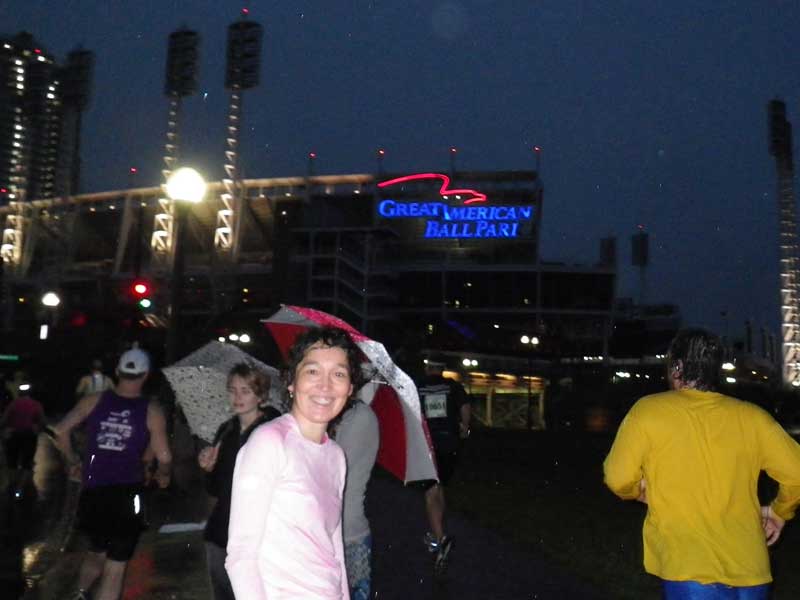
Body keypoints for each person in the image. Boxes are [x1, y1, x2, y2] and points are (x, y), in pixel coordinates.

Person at [604, 328, 800, 599]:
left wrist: (639, 492)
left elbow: (618, 477)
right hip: (751, 571)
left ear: (676, 368)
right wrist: (779, 512)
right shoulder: (752, 417)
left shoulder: (648, 411)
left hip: (689, 570)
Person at [226, 326, 363, 599]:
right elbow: (241, 555)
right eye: (312, 371)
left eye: (338, 374)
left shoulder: (336, 455)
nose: (325, 385)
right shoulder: (270, 442)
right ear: (291, 382)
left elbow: (334, 546)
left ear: (349, 388)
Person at [54, 348, 172, 600]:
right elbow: (164, 457)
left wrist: (73, 461)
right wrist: (164, 474)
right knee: (116, 564)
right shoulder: (151, 410)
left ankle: (79, 594)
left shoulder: (93, 400)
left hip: (93, 490)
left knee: (96, 551)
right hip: (127, 493)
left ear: (118, 371)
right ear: (146, 375)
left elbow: (61, 430)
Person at [198, 362, 280, 600]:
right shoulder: (226, 430)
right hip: (221, 531)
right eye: (232, 390)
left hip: (258, 535)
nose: (237, 397)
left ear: (260, 395)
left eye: (245, 390)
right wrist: (208, 468)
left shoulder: (273, 430)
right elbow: (215, 489)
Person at [416, 360, 471, 575]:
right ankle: (437, 531)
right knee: (439, 488)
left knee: (430, 492)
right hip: (449, 443)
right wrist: (464, 427)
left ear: (428, 367)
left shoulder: (419, 385)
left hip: (428, 443)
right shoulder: (453, 386)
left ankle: (440, 540)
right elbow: (465, 407)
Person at [332, 389, 380, 600]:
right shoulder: (340, 415)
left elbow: (337, 469)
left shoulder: (360, 417)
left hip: (348, 532)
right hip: (328, 529)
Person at [1, 382, 45, 496]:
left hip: (14, 435)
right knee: (27, 460)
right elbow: (42, 421)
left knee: (12, 460)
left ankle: (12, 483)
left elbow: (4, 419)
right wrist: (38, 429)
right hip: (29, 435)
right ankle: (20, 487)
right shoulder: (36, 404)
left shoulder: (13, 404)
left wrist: (6, 429)